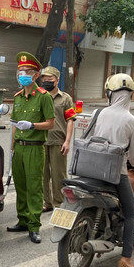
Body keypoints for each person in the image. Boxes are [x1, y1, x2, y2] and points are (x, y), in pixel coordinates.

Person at [87, 73, 134, 267]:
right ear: (130, 95)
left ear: (109, 93)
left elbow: (91, 139)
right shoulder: (133, 121)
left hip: (89, 169)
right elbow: (133, 160)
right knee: (131, 213)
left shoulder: (97, 113)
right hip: (114, 174)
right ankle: (126, 257)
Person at [7, 52, 55, 244]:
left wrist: (33, 126)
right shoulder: (17, 97)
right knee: (20, 186)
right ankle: (23, 220)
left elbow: (51, 123)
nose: (22, 75)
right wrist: (12, 148)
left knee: (34, 187)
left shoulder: (44, 97)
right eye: (20, 71)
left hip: (35, 148)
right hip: (19, 147)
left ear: (36, 75)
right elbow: (14, 124)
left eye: (27, 71)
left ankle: (34, 226)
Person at [38, 66, 76, 212]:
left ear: (57, 80)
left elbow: (70, 120)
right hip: (41, 140)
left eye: (50, 79)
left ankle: (59, 203)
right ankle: (47, 202)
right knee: (43, 175)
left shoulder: (65, 98)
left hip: (58, 142)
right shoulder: (40, 96)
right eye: (44, 79)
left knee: (58, 175)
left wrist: (67, 141)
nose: (46, 82)